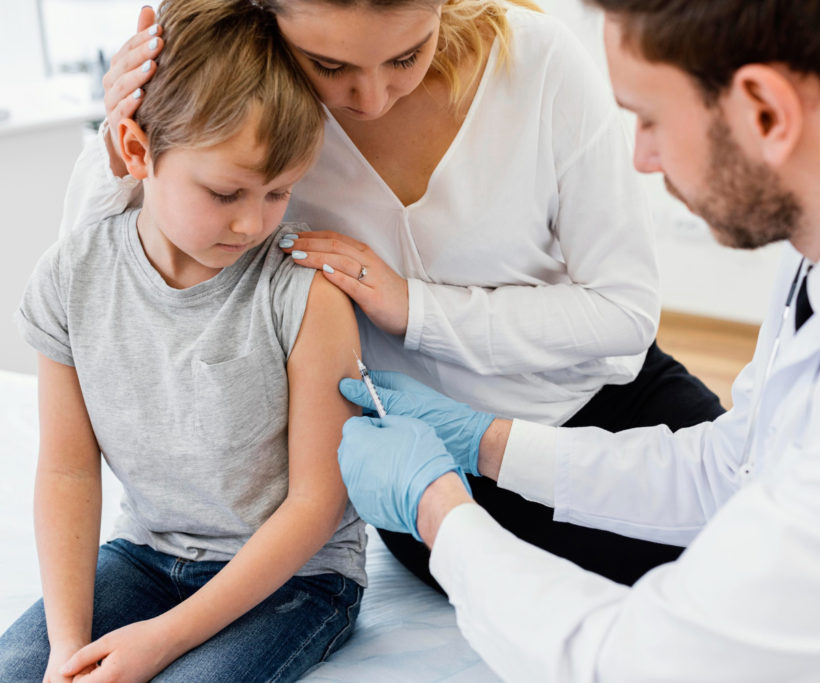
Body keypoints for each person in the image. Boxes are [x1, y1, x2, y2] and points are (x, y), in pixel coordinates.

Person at [334, 0, 820, 679]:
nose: (640, 156)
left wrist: (439, 512)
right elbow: (735, 469)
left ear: (765, 112)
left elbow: (643, 660)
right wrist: (488, 440)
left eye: (649, 118)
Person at [64, 0, 725, 589]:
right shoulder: (262, 114)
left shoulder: (538, 63)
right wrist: (118, 140)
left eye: (408, 54)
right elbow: (91, 279)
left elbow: (625, 312)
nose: (372, 96)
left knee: (781, 547)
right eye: (328, 64)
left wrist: (416, 308)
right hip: (431, 467)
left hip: (613, 406)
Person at [0, 1, 368, 680]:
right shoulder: (70, 277)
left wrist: (163, 640)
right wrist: (65, 647)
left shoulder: (306, 294)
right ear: (139, 151)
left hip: (296, 579)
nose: (253, 222)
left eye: (279, 192)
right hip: (144, 557)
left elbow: (318, 505)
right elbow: (66, 470)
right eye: (227, 192)